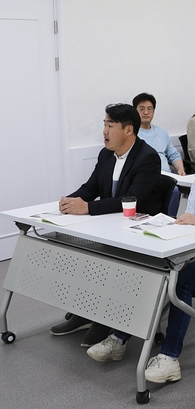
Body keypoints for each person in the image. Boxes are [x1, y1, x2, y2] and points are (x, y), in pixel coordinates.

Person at [86, 127, 195, 383]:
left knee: (181, 282)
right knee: (151, 272)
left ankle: (169, 358)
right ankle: (119, 338)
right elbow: (190, 219)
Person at [51, 103, 163, 346]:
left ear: (128, 130)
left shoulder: (148, 158)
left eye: (110, 126)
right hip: (110, 226)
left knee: (105, 261)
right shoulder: (105, 154)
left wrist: (88, 208)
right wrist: (72, 200)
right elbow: (92, 187)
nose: (104, 131)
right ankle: (84, 313)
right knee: (79, 254)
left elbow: (132, 199)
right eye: (104, 124)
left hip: (138, 231)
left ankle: (103, 320)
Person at [133, 92, 184, 216]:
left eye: (150, 109)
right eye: (142, 109)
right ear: (134, 111)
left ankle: (171, 220)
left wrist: (181, 169)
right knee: (174, 190)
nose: (146, 112)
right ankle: (168, 220)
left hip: (167, 177)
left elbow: (173, 155)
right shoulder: (132, 133)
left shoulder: (162, 132)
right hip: (146, 177)